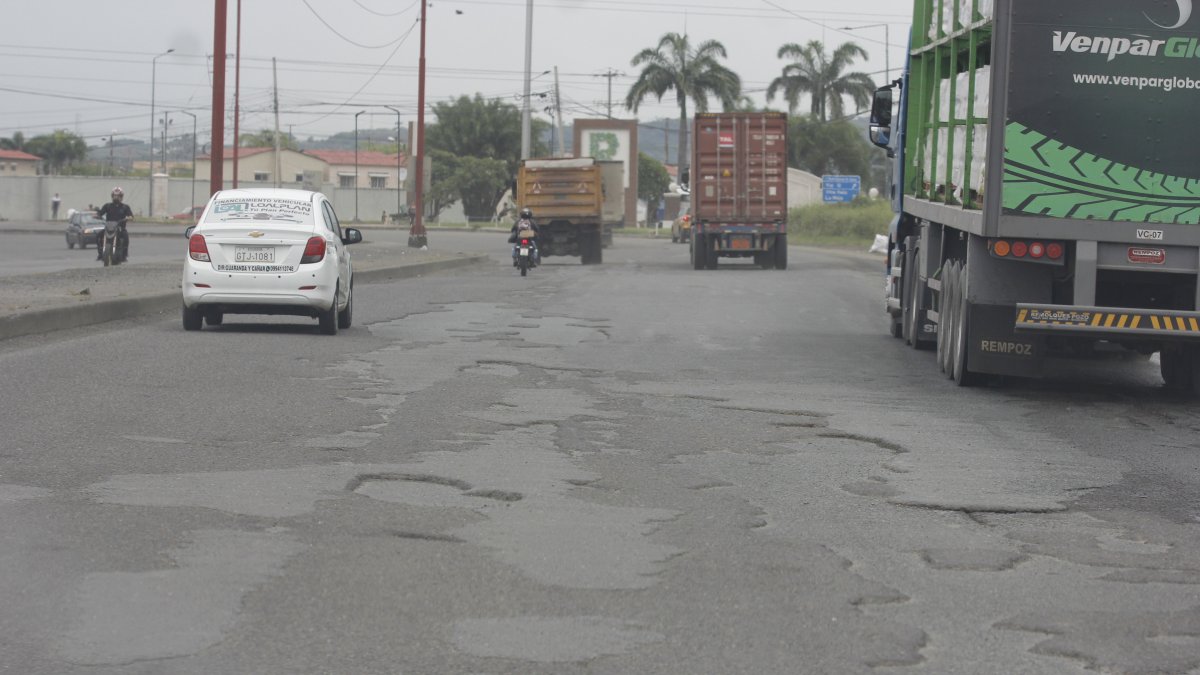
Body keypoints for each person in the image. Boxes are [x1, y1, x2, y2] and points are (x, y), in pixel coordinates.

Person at [95, 187, 133, 262]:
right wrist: (97, 215)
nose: (116, 197)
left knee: (125, 237)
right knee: (98, 236)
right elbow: (100, 213)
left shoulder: (125, 207)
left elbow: (131, 216)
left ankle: (124, 255)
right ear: (112, 196)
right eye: (114, 196)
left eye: (118, 196)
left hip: (120, 228)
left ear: (121, 197)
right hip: (108, 227)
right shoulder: (107, 206)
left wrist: (129, 218)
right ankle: (100, 254)